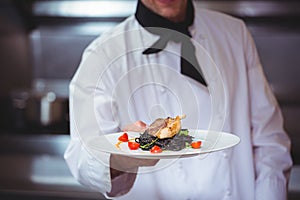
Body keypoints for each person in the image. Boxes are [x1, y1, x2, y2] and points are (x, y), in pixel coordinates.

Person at [64, 0, 293, 199]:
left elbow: (270, 143)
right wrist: (122, 156)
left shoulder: (235, 34)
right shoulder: (103, 53)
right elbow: (81, 158)